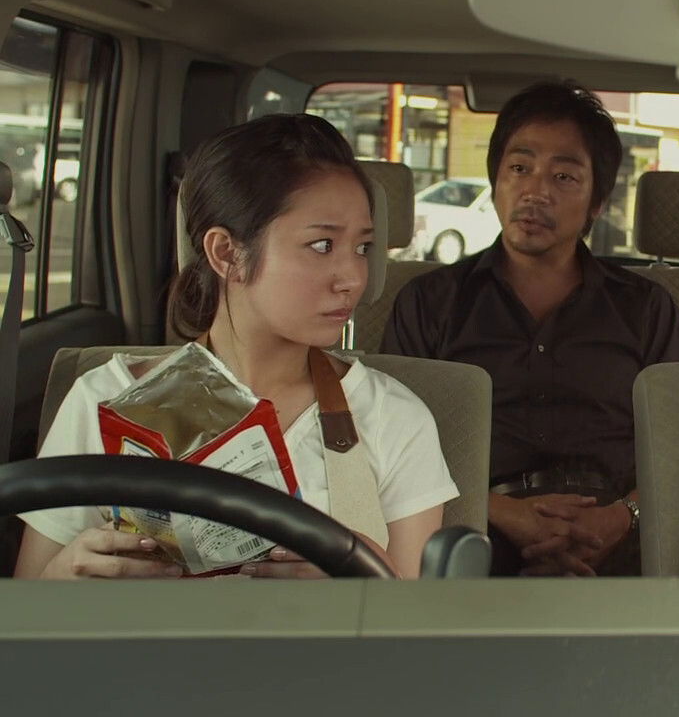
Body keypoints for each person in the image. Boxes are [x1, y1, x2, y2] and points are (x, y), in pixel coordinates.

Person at [14, 114, 458, 580]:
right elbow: (28, 605)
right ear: (226, 253)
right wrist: (64, 577)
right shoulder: (105, 398)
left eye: (363, 248)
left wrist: (361, 573)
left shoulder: (392, 417)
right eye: (322, 244)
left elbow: (416, 618)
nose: (352, 278)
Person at [382, 82, 679, 576]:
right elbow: (390, 446)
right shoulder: (429, 302)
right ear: (495, 182)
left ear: (597, 202)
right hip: (470, 540)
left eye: (564, 176)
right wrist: (500, 512)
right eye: (519, 168)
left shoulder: (645, 308)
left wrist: (622, 517)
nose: (535, 191)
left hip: (622, 546)